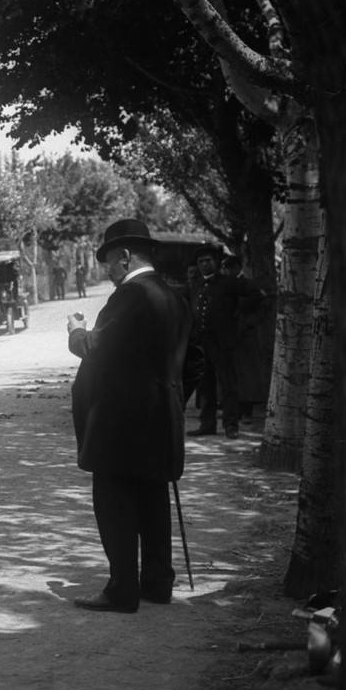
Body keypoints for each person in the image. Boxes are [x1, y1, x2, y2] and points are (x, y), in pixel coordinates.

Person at [66, 219, 192, 613]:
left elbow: (97, 349)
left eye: (107, 261)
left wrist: (76, 331)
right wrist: (170, 398)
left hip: (121, 425)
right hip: (160, 422)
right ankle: (157, 583)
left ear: (124, 257)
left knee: (115, 502)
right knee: (154, 500)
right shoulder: (175, 297)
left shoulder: (129, 295)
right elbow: (196, 360)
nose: (106, 270)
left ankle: (122, 590)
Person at [187, 244, 262, 439]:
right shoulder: (195, 285)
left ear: (216, 262)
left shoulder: (229, 282)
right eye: (201, 261)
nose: (204, 264)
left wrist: (240, 313)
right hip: (202, 342)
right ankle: (207, 424)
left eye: (208, 260)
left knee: (228, 385)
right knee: (205, 386)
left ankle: (231, 425)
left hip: (223, 342)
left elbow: (256, 293)